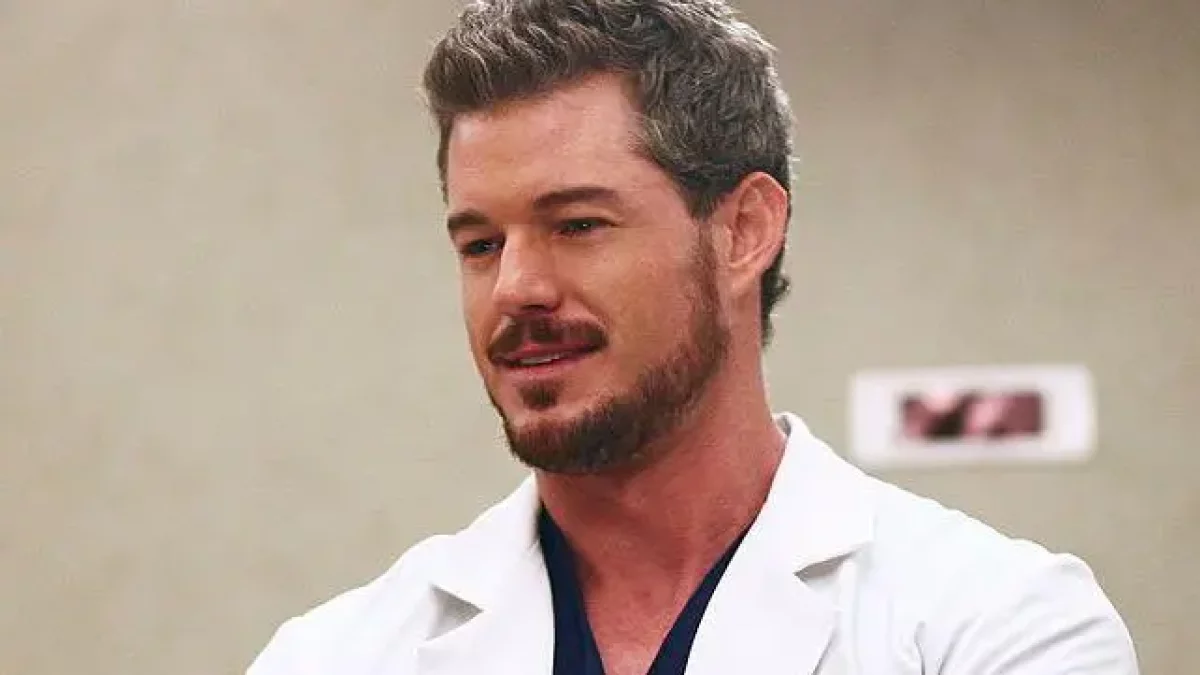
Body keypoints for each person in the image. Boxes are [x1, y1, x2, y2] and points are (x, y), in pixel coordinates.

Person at [247, 1, 1138, 673]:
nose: (515, 288)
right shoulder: (334, 654)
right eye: (481, 243)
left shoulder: (997, 630)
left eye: (578, 224)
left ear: (744, 230)